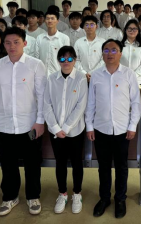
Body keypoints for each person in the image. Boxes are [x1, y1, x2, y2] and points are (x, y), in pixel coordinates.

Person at [0, 27, 47, 217]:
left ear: (24, 43)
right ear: (3, 44)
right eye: (8, 42)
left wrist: (40, 121)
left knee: (32, 163)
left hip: (30, 125)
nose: (12, 46)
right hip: (4, 125)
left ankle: (33, 196)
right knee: (7, 163)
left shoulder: (36, 65)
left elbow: (43, 95)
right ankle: (10, 197)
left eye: (16, 42)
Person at [86, 40, 141, 219]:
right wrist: (89, 126)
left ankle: (120, 199)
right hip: (100, 129)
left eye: (113, 50)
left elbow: (136, 103)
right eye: (106, 50)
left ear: (120, 53)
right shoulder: (96, 75)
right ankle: (104, 199)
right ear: (102, 54)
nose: (109, 53)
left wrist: (132, 126)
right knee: (103, 167)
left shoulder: (128, 74)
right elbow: (91, 103)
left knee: (121, 167)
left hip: (122, 130)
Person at [43, 46, 88, 215]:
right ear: (58, 61)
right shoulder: (51, 78)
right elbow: (46, 104)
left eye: (70, 59)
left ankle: (77, 193)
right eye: (62, 59)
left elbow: (81, 106)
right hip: (55, 131)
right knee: (60, 163)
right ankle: (62, 193)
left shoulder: (81, 78)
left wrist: (67, 127)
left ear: (75, 60)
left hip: (75, 131)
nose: (66, 62)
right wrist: (56, 128)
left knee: (77, 163)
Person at [35, 11, 71, 76]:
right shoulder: (39, 38)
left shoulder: (64, 38)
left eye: (52, 18)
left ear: (57, 21)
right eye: (47, 18)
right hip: (42, 74)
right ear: (45, 21)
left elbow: (66, 57)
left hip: (59, 74)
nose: (49, 21)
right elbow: (36, 57)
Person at [74, 16, 106, 82]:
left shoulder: (103, 42)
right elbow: (76, 59)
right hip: (82, 76)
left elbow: (104, 59)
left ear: (96, 26)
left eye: (92, 24)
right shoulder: (78, 42)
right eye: (86, 25)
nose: (89, 27)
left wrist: (92, 73)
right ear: (83, 27)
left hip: (99, 75)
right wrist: (84, 73)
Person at [120, 20, 141, 85]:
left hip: (139, 80)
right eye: (129, 28)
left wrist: (135, 74)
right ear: (125, 30)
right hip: (122, 79)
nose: (132, 31)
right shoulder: (119, 44)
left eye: (134, 29)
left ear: (138, 31)